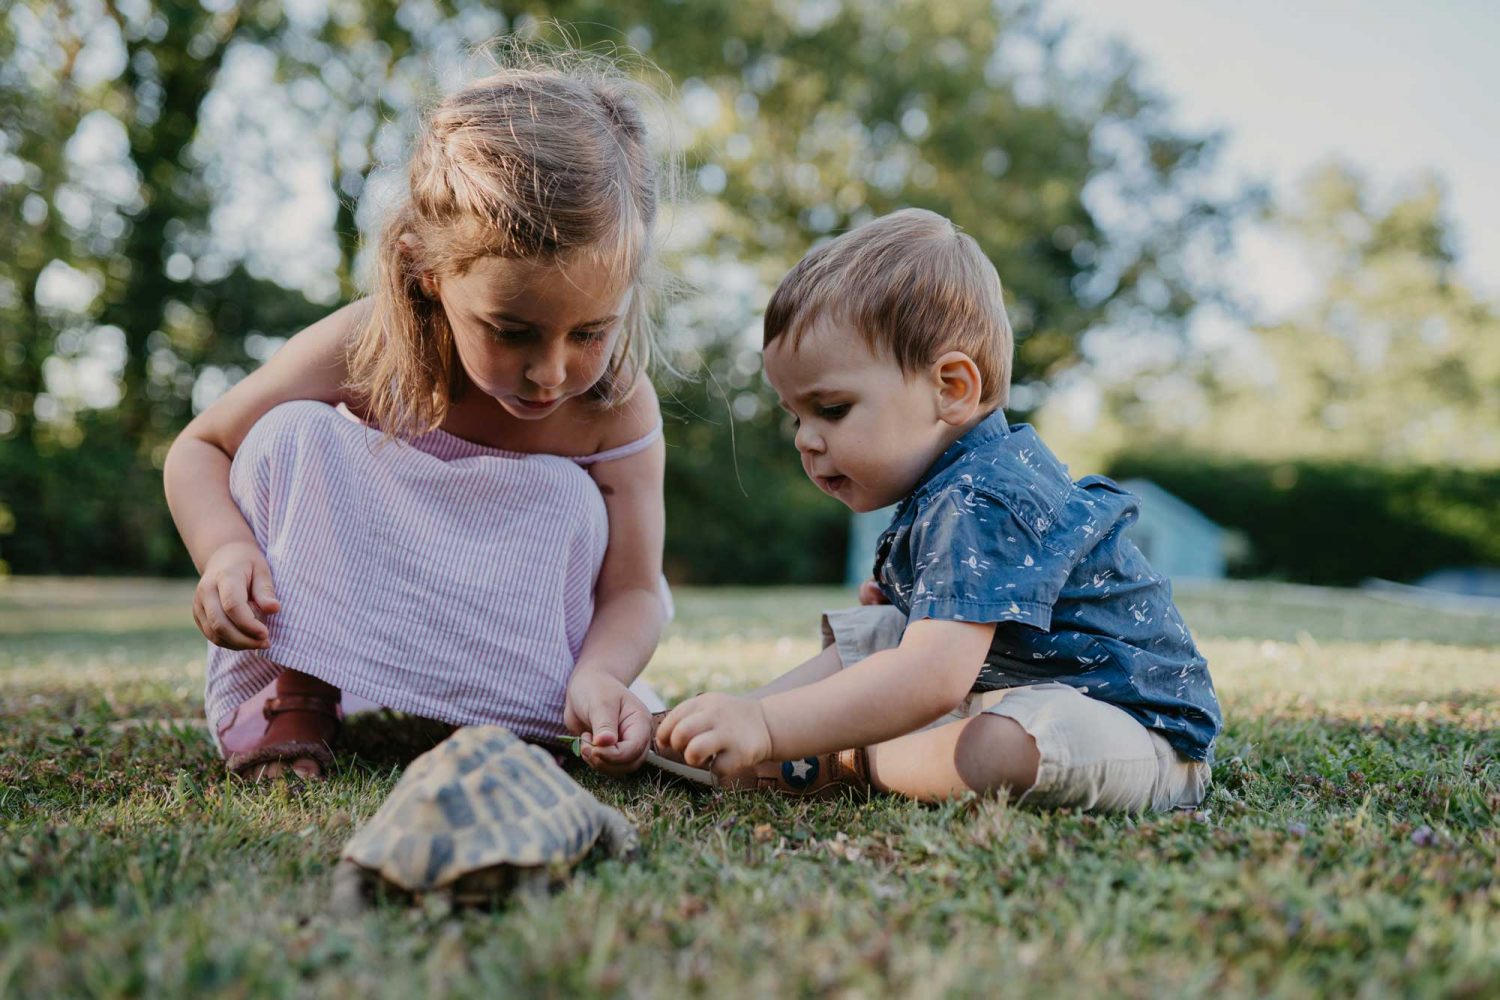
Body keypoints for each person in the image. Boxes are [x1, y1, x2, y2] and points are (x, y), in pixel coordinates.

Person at [164, 56, 672, 780]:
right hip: (361, 610)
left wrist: (601, 674)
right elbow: (201, 447)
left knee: (568, 499)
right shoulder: (367, 345)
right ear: (427, 273)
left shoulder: (614, 405)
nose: (551, 371)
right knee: (289, 435)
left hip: (524, 653)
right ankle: (300, 689)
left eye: (590, 332)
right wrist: (223, 551)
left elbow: (634, 590)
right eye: (511, 329)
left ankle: (516, 713)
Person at [655, 209, 1222, 812]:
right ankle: (731, 731)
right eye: (798, 416)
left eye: (832, 409)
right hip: (1017, 689)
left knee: (998, 749)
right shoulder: (950, 485)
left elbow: (932, 678)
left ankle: (823, 752)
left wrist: (771, 724)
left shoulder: (984, 494)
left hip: (1135, 732)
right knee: (886, 632)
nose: (805, 440)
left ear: (952, 388)